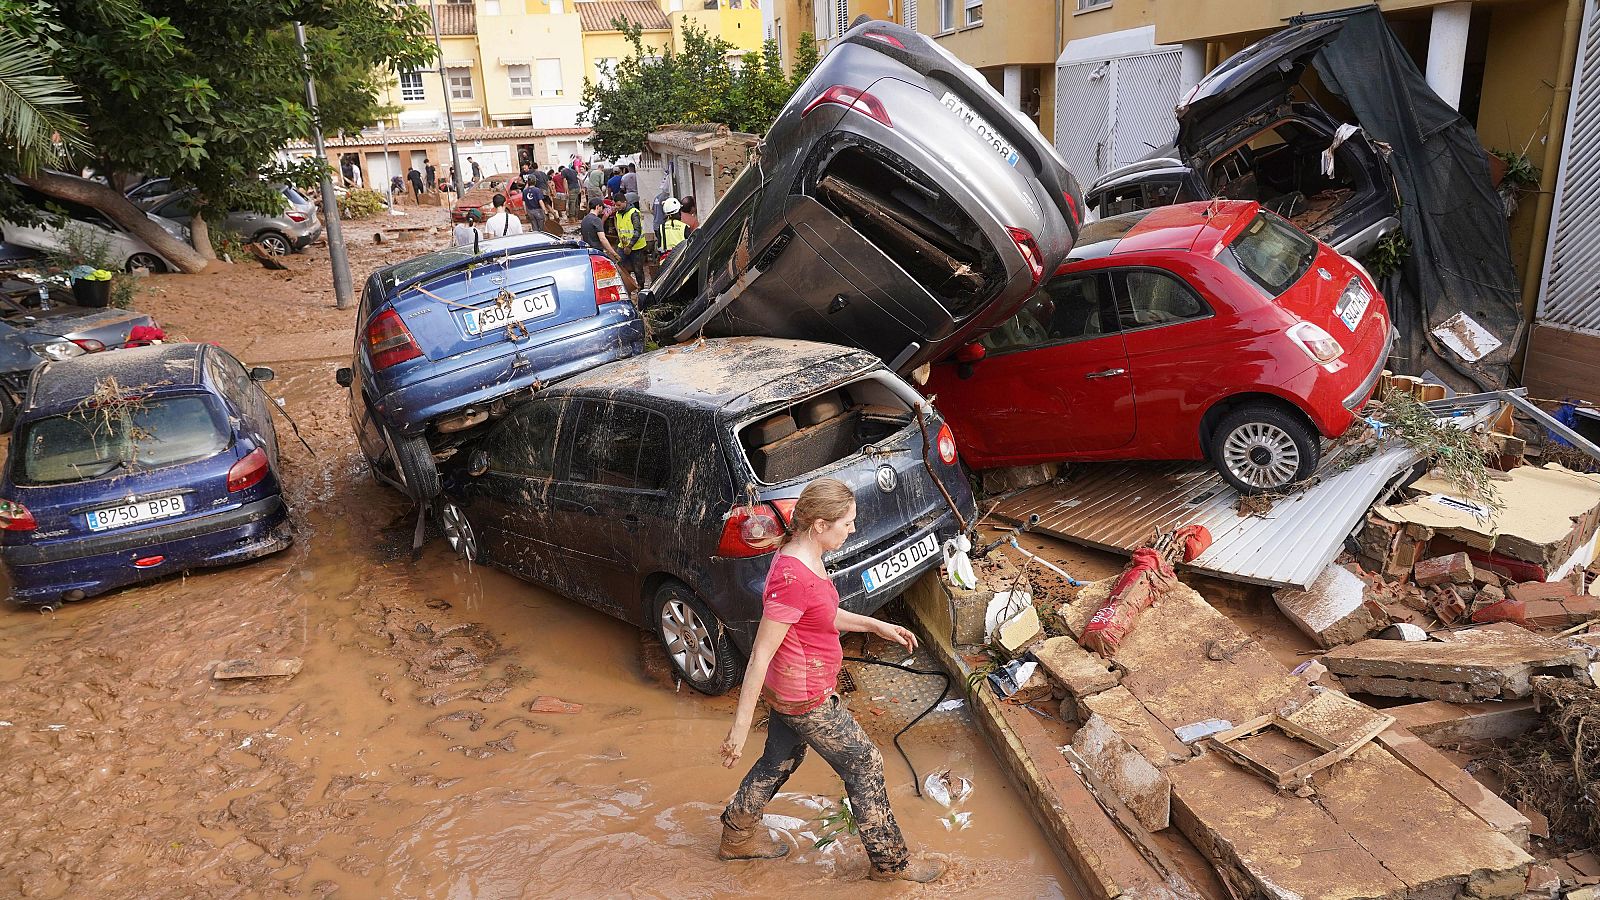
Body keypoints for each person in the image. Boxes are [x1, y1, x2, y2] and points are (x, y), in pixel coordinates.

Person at [718, 478, 946, 883]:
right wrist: (738, 728)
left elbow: (821, 616)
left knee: (780, 759)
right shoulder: (793, 577)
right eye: (847, 523)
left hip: (791, 688)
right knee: (865, 765)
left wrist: (876, 626)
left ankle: (736, 837)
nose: (853, 530)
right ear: (820, 524)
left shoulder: (805, 555)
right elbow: (759, 655)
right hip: (805, 696)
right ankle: (892, 865)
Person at [613, 196, 648, 289]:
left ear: (625, 202)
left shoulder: (634, 213)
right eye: (615, 205)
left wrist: (630, 246)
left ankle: (641, 288)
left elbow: (637, 230)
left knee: (638, 269)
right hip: (623, 246)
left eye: (619, 205)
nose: (617, 207)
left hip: (637, 247)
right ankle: (625, 287)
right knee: (619, 266)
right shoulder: (618, 214)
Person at [657, 197, 692, 262]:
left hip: (665, 263)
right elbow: (690, 247)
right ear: (678, 212)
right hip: (680, 261)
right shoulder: (684, 227)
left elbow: (659, 248)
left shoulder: (661, 228)